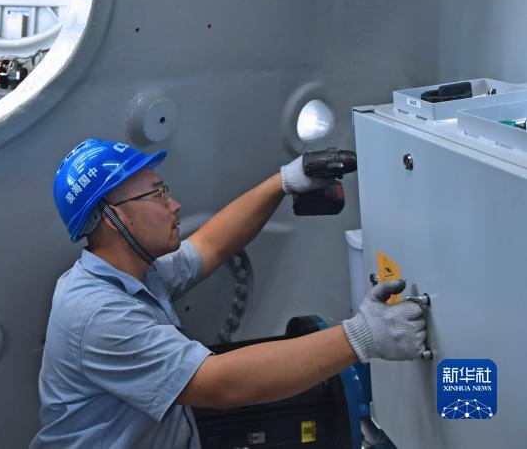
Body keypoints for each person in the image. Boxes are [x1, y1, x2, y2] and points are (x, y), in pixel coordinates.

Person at [31, 139, 426, 448]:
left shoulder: (133, 272)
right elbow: (220, 382)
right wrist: (361, 337)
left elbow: (210, 246)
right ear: (114, 217)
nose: (175, 205)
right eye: (157, 194)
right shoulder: (97, 314)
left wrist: (283, 181)